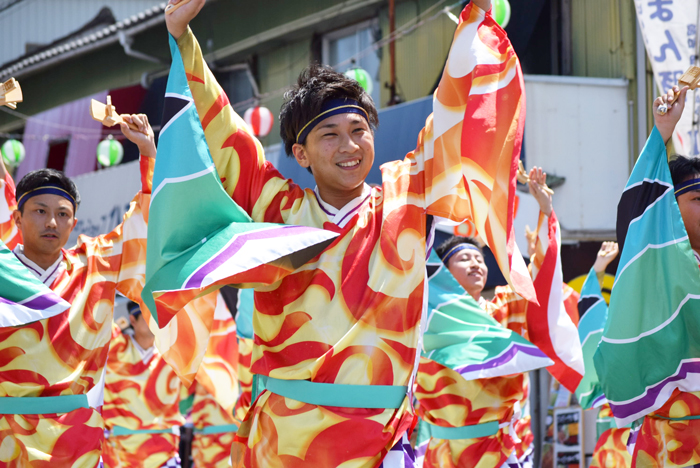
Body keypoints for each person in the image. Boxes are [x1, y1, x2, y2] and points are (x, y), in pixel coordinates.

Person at [160, 0, 536, 465]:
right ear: (300, 153)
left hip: (380, 443)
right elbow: (224, 134)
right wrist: (182, 38)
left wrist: (472, 28)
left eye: (359, 130)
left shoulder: (407, 201)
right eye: (330, 135)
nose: (350, 146)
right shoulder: (276, 208)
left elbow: (449, 117)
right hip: (285, 443)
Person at [0, 114, 155, 467]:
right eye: (40, 211)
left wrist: (148, 151)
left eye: (63, 214)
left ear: (73, 222)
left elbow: (146, 221)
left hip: (77, 441)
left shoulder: (96, 265)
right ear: (18, 216)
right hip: (8, 440)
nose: (52, 222)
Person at [414, 168, 581, 468]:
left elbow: (540, 282)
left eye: (479, 259)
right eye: (464, 259)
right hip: (443, 450)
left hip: (499, 449)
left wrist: (545, 210)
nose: (476, 264)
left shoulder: (504, 308)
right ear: (444, 274)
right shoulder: (427, 313)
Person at [593, 85, 700, 468]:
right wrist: (662, 133)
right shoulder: (653, 270)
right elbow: (640, 213)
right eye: (699, 199)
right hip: (670, 448)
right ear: (667, 208)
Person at [102, 301, 185, 468]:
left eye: (158, 317)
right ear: (132, 320)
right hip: (120, 453)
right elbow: (99, 311)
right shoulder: (115, 349)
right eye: (148, 316)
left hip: (163, 453)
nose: (155, 321)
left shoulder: (173, 354)